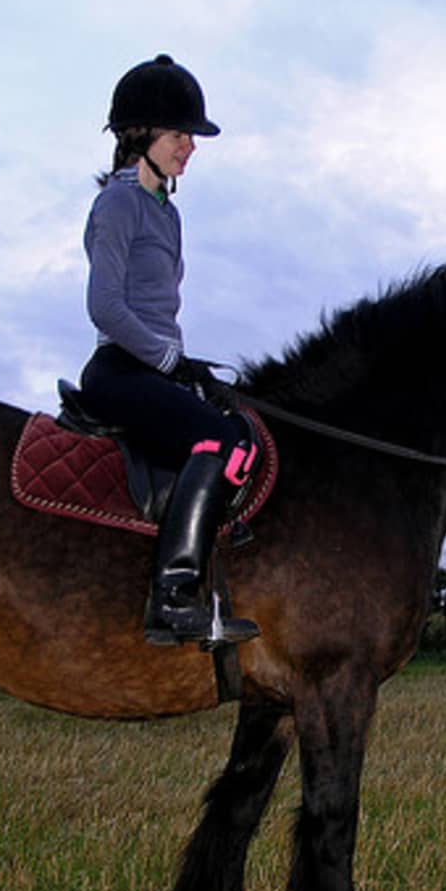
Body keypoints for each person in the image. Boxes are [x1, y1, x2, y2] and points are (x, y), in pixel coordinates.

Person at [80, 53, 260, 648]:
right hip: (119, 370)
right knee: (226, 442)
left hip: (153, 367)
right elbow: (105, 306)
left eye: (191, 136)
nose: (191, 147)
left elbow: (157, 312)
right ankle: (174, 596)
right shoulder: (118, 202)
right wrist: (166, 361)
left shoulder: (169, 213)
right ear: (140, 136)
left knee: (239, 429)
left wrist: (185, 370)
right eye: (180, 134)